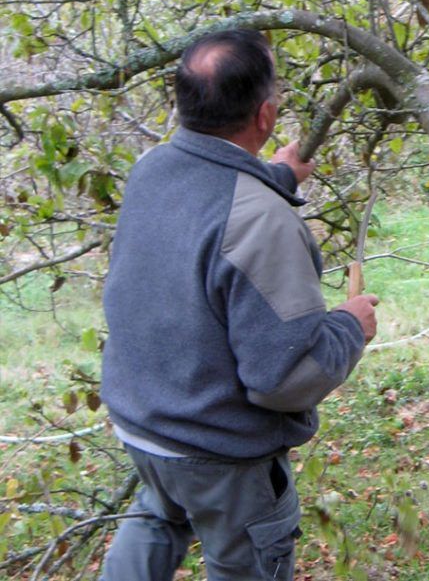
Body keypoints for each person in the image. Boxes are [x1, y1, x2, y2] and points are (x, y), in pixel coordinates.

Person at [100, 29, 379, 581]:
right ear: (267, 115)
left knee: (157, 520)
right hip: (219, 455)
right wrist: (350, 327)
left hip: (143, 427)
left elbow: (205, 207)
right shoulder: (262, 222)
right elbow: (281, 379)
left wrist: (273, 176)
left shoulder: (152, 169)